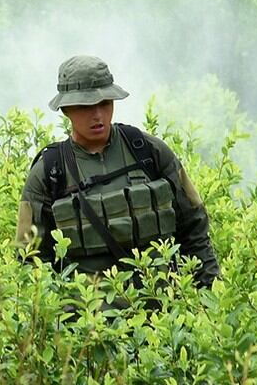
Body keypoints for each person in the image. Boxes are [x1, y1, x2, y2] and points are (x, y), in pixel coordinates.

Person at [15, 55, 220, 289]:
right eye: (85, 107)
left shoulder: (148, 151)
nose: (97, 115)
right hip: (88, 309)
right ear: (66, 110)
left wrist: (209, 292)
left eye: (105, 103)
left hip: (163, 305)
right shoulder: (50, 171)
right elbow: (29, 258)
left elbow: (195, 228)